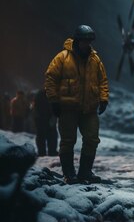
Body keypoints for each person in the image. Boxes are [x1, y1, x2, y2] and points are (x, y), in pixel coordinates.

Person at [44, 25, 109, 184]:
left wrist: (103, 98)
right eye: (84, 41)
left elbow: (103, 81)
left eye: (89, 41)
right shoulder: (62, 57)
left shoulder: (95, 60)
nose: (87, 44)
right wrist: (53, 100)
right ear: (77, 40)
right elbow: (50, 79)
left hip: (90, 109)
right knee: (68, 141)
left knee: (92, 139)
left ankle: (85, 172)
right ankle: (69, 174)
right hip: (68, 109)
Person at [32, 89, 58, 156]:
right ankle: (46, 152)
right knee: (45, 136)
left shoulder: (40, 94)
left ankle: (46, 152)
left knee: (48, 136)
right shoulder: (41, 94)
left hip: (45, 118)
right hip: (42, 119)